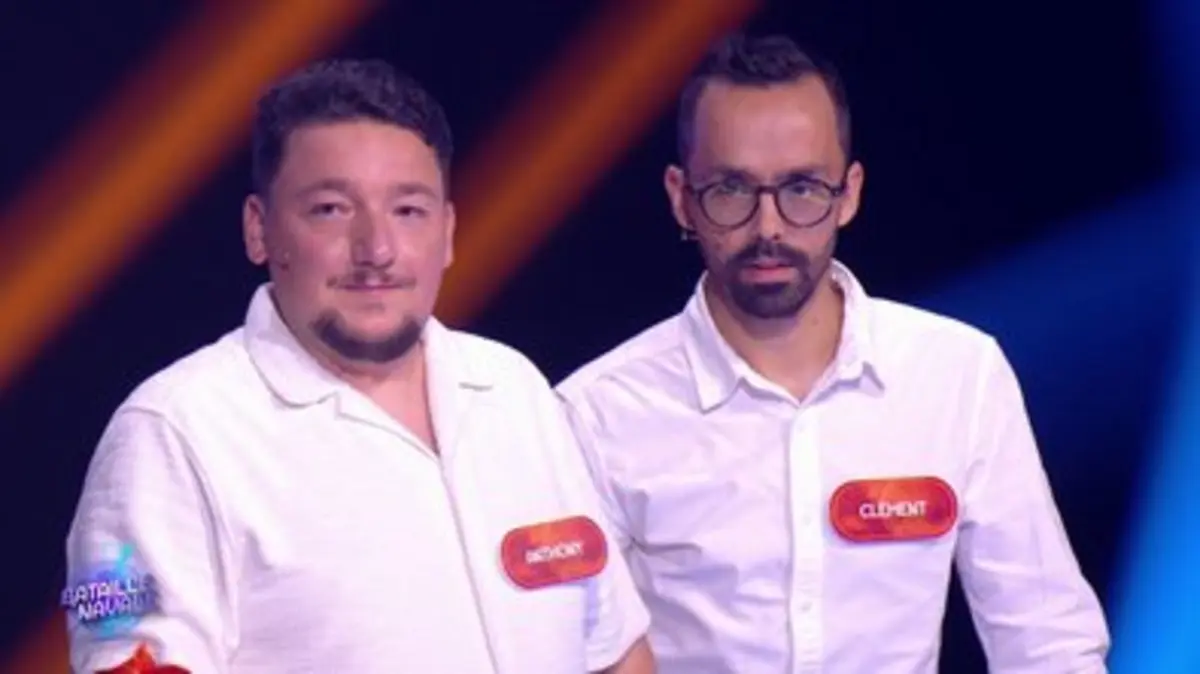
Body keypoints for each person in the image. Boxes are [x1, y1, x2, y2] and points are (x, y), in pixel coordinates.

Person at [64, 58, 654, 674]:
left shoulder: (513, 389)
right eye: (331, 209)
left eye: (408, 210)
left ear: (448, 232)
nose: (377, 250)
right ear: (260, 231)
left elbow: (614, 650)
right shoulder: (173, 432)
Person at [556, 33, 1110, 673]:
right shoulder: (597, 413)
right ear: (682, 198)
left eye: (802, 188)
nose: (768, 228)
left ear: (849, 193)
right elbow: (572, 651)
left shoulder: (957, 374)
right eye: (732, 190)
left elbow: (1046, 640)